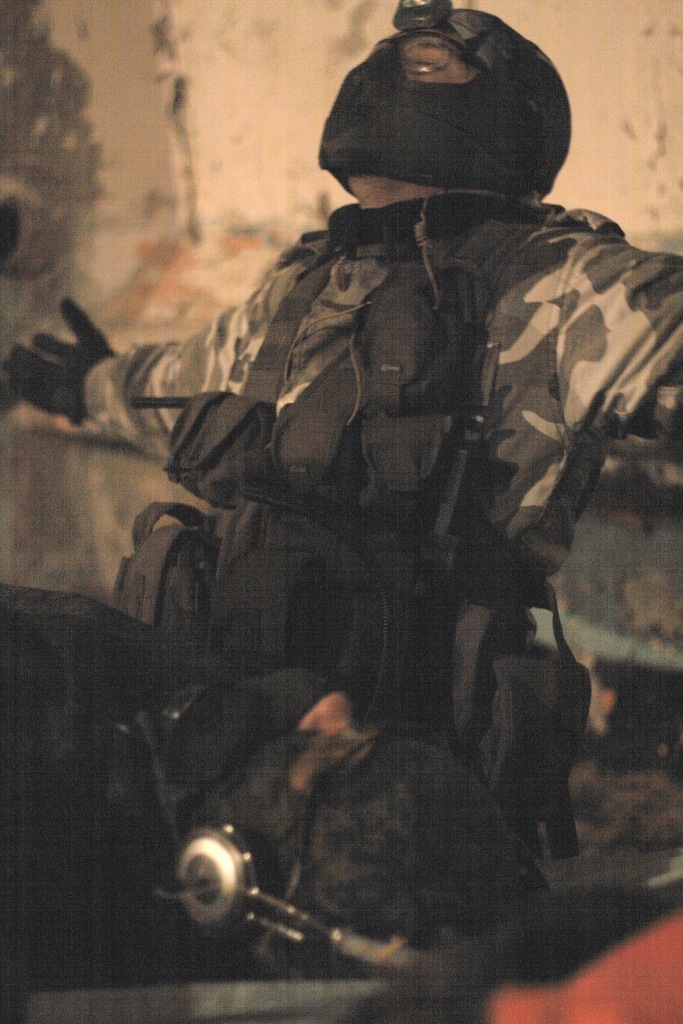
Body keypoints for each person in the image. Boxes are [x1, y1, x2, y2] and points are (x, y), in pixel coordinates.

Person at [2, 0, 683, 995]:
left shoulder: (337, 288)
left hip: (324, 774)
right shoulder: (517, 283)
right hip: (329, 775)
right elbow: (182, 387)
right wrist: (95, 383)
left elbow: (172, 389)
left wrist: (90, 384)